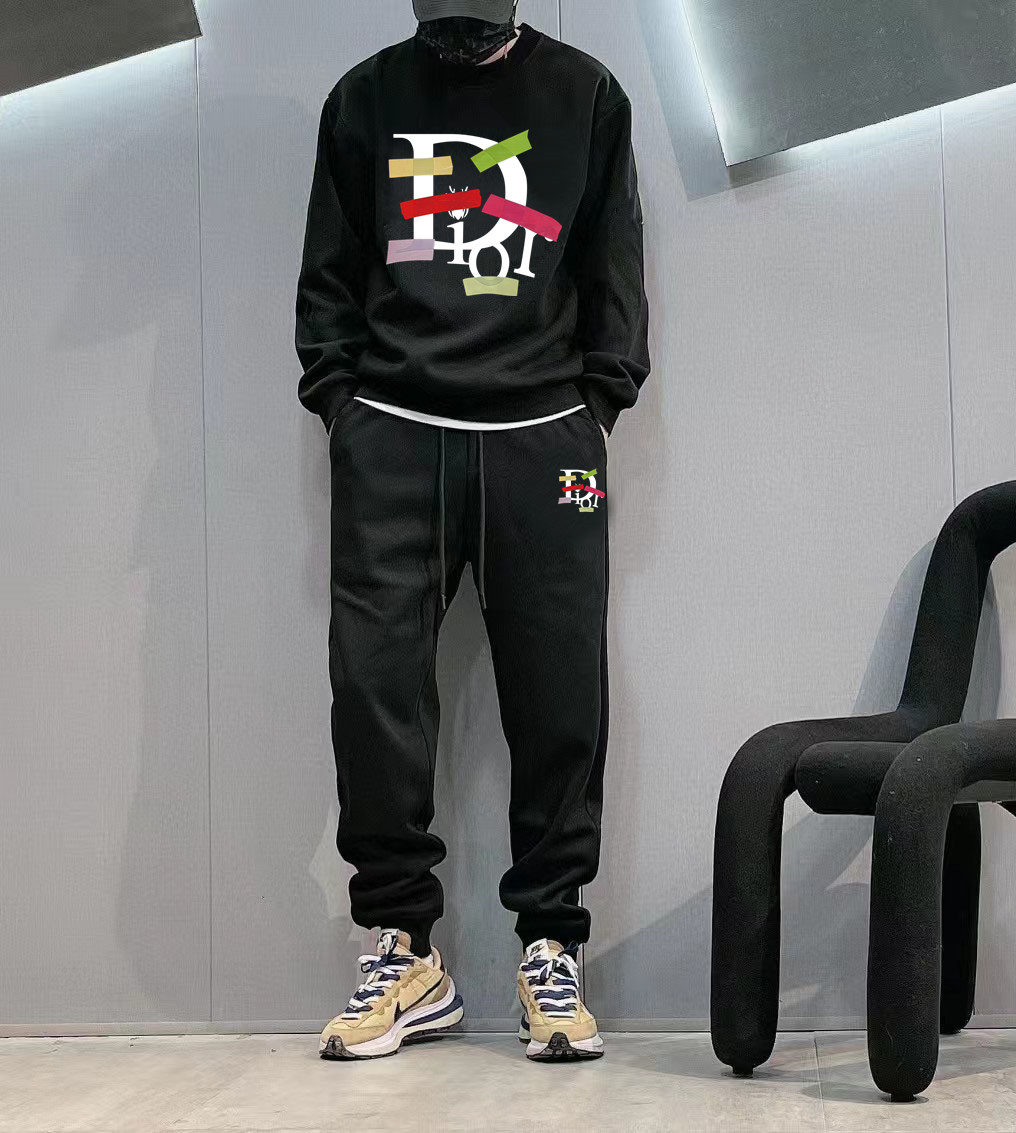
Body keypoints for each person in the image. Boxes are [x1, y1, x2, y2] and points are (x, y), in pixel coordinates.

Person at [295, 0, 650, 1063]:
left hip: (544, 437)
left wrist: (598, 403)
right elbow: (327, 277)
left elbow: (614, 268)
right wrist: (344, 407)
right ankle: (404, 951)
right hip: (393, 432)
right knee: (373, 690)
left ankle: (552, 946)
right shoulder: (363, 98)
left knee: (561, 693)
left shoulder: (585, 93)